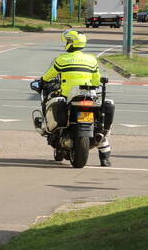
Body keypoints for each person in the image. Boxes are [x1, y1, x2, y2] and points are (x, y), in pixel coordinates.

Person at [37, 29, 114, 166]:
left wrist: (42, 82)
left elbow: (48, 76)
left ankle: (49, 130)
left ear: (70, 43)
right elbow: (96, 80)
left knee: (52, 102)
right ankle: (105, 158)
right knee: (98, 127)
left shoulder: (62, 59)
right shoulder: (91, 59)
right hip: (89, 96)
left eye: (67, 41)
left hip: (69, 97)